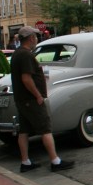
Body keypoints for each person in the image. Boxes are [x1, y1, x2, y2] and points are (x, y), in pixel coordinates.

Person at [10, 26, 74, 173]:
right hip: (31, 99)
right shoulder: (26, 55)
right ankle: (55, 161)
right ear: (31, 38)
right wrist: (38, 95)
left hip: (21, 99)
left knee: (24, 131)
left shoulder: (17, 54)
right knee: (45, 128)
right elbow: (26, 79)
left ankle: (25, 161)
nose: (37, 39)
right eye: (36, 36)